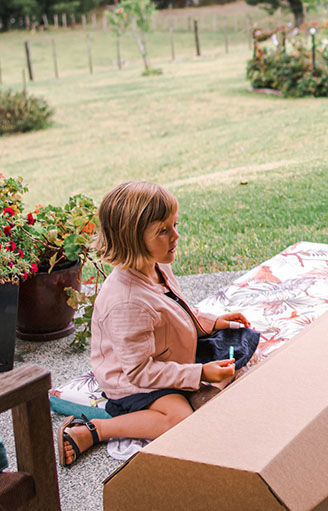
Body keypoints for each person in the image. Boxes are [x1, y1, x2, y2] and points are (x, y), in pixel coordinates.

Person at [57, 181, 248, 467]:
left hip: (164, 354)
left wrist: (209, 323)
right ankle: (94, 429)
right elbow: (140, 372)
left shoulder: (157, 264)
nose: (176, 236)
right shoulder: (127, 301)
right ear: (131, 239)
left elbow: (174, 308)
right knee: (181, 421)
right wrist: (198, 373)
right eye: (163, 230)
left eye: (175, 225)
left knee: (242, 347)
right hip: (133, 379)